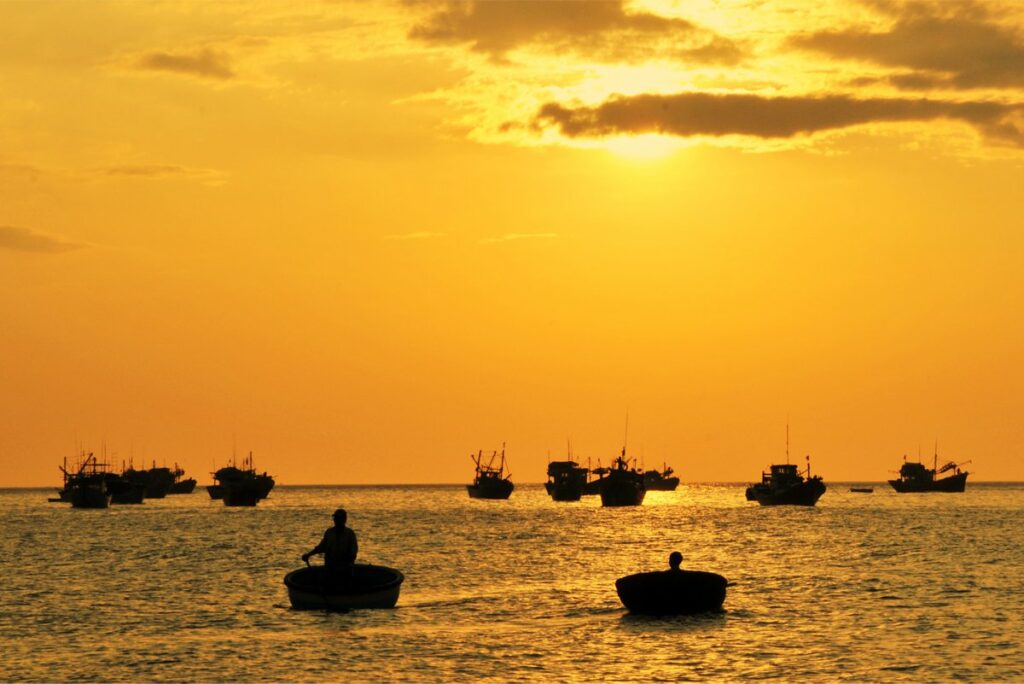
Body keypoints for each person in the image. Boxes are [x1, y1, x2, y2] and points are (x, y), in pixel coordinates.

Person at [303, 508, 358, 580]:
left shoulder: (350, 534)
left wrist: (342, 561)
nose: (335, 520)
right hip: (330, 568)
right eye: (335, 518)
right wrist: (308, 554)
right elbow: (321, 547)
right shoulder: (329, 533)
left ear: (344, 520)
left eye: (338, 518)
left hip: (345, 570)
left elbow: (353, 553)